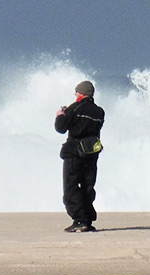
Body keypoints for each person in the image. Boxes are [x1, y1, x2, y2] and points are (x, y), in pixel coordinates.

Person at [55, 80, 105, 232]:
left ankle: (79, 220)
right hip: (91, 153)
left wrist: (60, 115)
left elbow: (61, 128)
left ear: (81, 93)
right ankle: (88, 219)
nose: (75, 94)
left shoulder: (74, 108)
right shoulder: (99, 111)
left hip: (75, 153)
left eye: (76, 92)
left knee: (71, 187)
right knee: (87, 187)